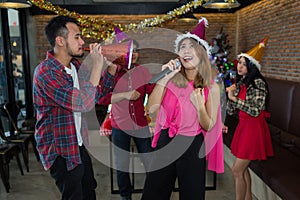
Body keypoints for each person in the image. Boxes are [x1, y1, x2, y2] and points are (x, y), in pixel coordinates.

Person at [142, 18, 224, 200]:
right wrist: (164, 78)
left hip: (192, 146)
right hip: (167, 141)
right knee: (153, 194)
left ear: (201, 53)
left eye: (191, 46)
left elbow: (209, 125)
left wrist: (200, 107)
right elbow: (151, 109)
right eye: (182, 47)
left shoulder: (212, 86)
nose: (185, 51)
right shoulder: (171, 80)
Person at [32, 15, 107, 200]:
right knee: (74, 195)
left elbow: (101, 93)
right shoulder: (46, 72)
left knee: (89, 190)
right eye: (77, 37)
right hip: (60, 149)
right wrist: (97, 66)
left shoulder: (75, 66)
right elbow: (82, 103)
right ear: (60, 41)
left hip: (77, 143)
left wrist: (110, 68)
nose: (82, 41)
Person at [98, 36, 155, 200]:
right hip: (119, 126)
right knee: (122, 165)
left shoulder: (143, 71)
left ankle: (151, 193)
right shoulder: (111, 71)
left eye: (136, 50)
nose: (134, 54)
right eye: (130, 51)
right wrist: (124, 95)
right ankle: (125, 196)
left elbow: (153, 92)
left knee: (149, 162)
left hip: (140, 125)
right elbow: (102, 99)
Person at [226, 37, 273, 200]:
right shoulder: (242, 83)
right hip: (244, 128)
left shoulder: (258, 83)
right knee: (243, 170)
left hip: (254, 129)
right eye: (239, 63)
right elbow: (232, 111)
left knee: (237, 170)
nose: (240, 66)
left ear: (251, 67)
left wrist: (234, 99)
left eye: (244, 64)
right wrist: (230, 96)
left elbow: (255, 110)